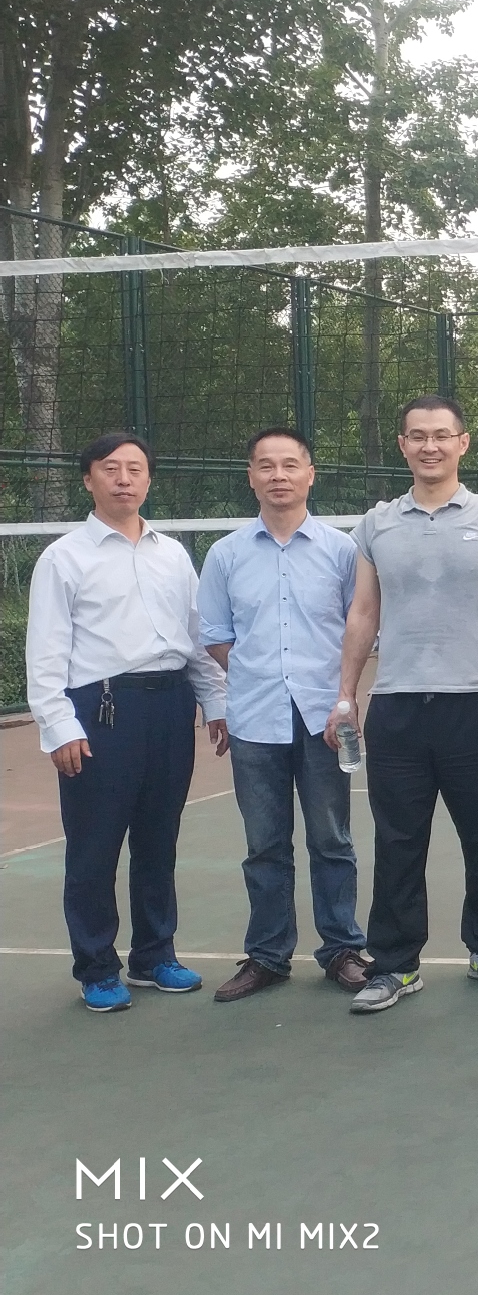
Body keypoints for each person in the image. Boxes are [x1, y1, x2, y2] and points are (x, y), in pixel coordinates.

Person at [330, 395, 478, 1014]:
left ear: (462, 443)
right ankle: (395, 965)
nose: (430, 445)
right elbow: (364, 612)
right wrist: (346, 694)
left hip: (475, 703)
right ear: (403, 445)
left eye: (442, 435)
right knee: (398, 841)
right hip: (397, 708)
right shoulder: (376, 525)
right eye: (418, 436)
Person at [26, 432, 228, 1012]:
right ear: (87, 479)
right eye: (110, 468)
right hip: (101, 711)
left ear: (148, 480)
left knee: (158, 839)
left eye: (135, 469)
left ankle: (153, 956)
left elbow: (196, 636)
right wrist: (60, 725)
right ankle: (96, 967)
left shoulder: (173, 555)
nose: (123, 479)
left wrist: (215, 702)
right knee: (94, 845)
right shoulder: (64, 558)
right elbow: (45, 652)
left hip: (170, 707)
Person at [198, 428, 369, 1002]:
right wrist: (259, 674)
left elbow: (361, 629)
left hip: (327, 720)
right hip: (255, 720)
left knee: (332, 840)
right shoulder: (225, 554)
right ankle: (268, 956)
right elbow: (216, 635)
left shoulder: (343, 551)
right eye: (266, 465)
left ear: (310, 474)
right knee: (264, 846)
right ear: (251, 476)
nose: (278, 475)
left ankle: (342, 948)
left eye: (290, 464)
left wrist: (341, 696)